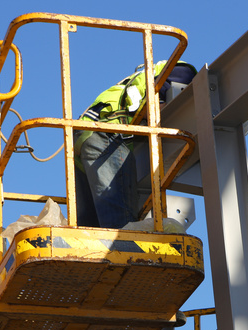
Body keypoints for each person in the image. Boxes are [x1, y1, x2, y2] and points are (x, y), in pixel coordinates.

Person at [73, 61, 197, 229]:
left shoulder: (142, 77)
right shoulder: (184, 71)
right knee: (119, 226)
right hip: (106, 133)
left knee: (91, 228)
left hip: (83, 135)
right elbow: (151, 108)